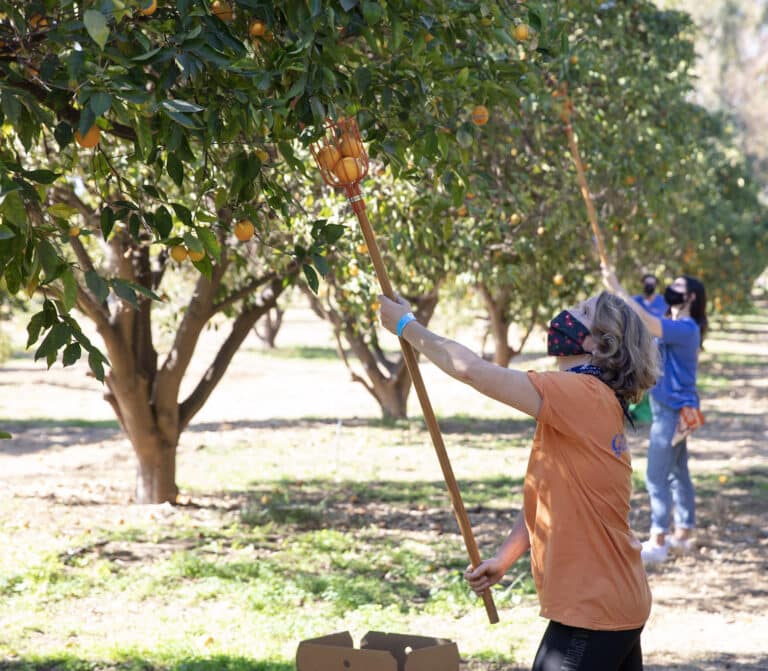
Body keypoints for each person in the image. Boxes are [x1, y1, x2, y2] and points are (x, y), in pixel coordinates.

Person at [379, 291, 660, 671]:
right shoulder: (586, 397)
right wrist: (504, 559)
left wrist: (404, 326)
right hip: (613, 598)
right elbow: (549, 497)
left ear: (599, 342)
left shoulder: (582, 394)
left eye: (582, 312)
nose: (566, 315)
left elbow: (471, 370)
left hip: (595, 606)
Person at [603, 269, 708, 563]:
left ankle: (659, 540)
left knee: (655, 475)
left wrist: (616, 285)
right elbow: (642, 318)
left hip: (674, 412)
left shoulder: (686, 327)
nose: (670, 287)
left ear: (690, 297)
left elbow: (647, 322)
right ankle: (684, 533)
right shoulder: (677, 323)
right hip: (676, 409)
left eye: (678, 285)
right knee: (677, 471)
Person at [628, 274, 666, 425]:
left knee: (655, 378)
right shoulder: (635, 301)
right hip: (638, 346)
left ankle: (654, 411)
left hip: (657, 347)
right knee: (638, 378)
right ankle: (635, 410)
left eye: (652, 284)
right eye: (647, 283)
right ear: (642, 284)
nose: (649, 286)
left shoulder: (663, 302)